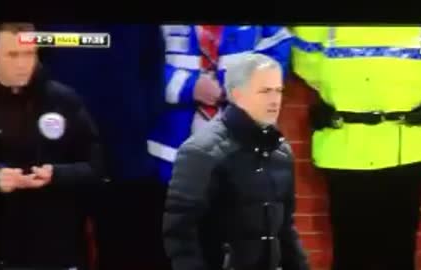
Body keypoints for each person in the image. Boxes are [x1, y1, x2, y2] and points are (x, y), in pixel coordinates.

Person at [290, 26, 421, 270]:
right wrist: (406, 84)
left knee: (368, 250)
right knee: (377, 250)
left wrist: (351, 88)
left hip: (365, 144)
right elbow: (304, 60)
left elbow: (309, 63)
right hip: (387, 142)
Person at [163, 53, 310, 270]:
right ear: (237, 95)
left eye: (278, 91)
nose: (275, 100)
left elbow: (285, 230)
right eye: (265, 91)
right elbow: (180, 234)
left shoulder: (281, 152)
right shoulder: (202, 152)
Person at [40, 24, 168, 270]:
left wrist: (140, 118)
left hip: (127, 152)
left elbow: (153, 65)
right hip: (61, 150)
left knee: (128, 248)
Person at [0, 22, 104, 270]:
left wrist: (56, 174)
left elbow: (97, 167)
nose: (22, 63)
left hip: (58, 249)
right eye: (12, 54)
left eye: (29, 54)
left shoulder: (64, 100)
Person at [148, 25, 292, 185]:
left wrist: (238, 86)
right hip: (167, 148)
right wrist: (190, 86)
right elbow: (136, 62)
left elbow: (278, 49)